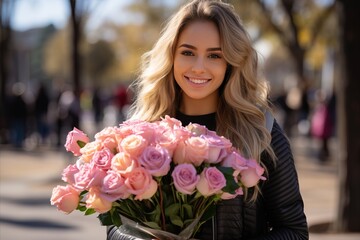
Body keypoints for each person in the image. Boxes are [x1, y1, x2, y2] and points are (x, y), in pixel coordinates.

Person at [107, 0, 308, 239]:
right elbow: (115, 226)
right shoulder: (141, 133)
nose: (199, 67)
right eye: (188, 52)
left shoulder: (261, 131)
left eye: (214, 55)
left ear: (231, 63)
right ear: (171, 56)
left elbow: (294, 231)